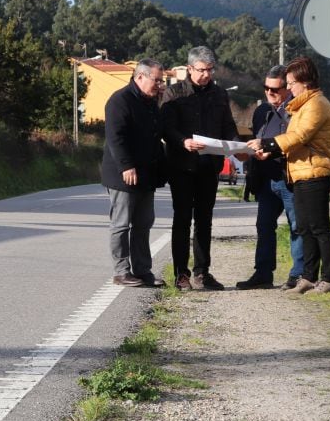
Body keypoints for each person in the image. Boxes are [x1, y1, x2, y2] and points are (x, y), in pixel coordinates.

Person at [246, 57, 330, 294]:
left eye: (291, 83)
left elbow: (300, 135)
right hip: (300, 172)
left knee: (319, 227)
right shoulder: (301, 105)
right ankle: (308, 277)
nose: (289, 88)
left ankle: (328, 279)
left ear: (305, 82)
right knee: (305, 228)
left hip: (315, 171)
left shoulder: (316, 104)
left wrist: (266, 144)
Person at [161, 46, 239, 291]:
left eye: (210, 70)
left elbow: (227, 125)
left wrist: (238, 147)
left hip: (209, 166)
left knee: (204, 221)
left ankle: (202, 272)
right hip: (182, 166)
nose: (206, 74)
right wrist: (183, 141)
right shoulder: (173, 93)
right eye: (201, 70)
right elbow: (165, 128)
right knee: (182, 219)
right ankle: (181, 274)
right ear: (190, 68)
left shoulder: (219, 94)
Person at [236, 65, 305, 290]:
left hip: (289, 178)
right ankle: (263, 274)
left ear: (287, 88)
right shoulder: (261, 111)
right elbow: (258, 138)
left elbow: (299, 141)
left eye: (275, 89)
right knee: (264, 226)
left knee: (297, 226)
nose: (269, 93)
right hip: (266, 180)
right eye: (266, 88)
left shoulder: (297, 109)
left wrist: (271, 150)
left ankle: (299, 274)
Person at [101, 59, 167, 288]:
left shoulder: (151, 103)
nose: (160, 85)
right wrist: (126, 166)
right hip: (124, 175)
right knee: (121, 224)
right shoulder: (120, 100)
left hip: (147, 175)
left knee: (143, 223)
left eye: (162, 80)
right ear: (140, 77)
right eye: (156, 80)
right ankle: (121, 272)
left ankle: (142, 271)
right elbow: (115, 138)